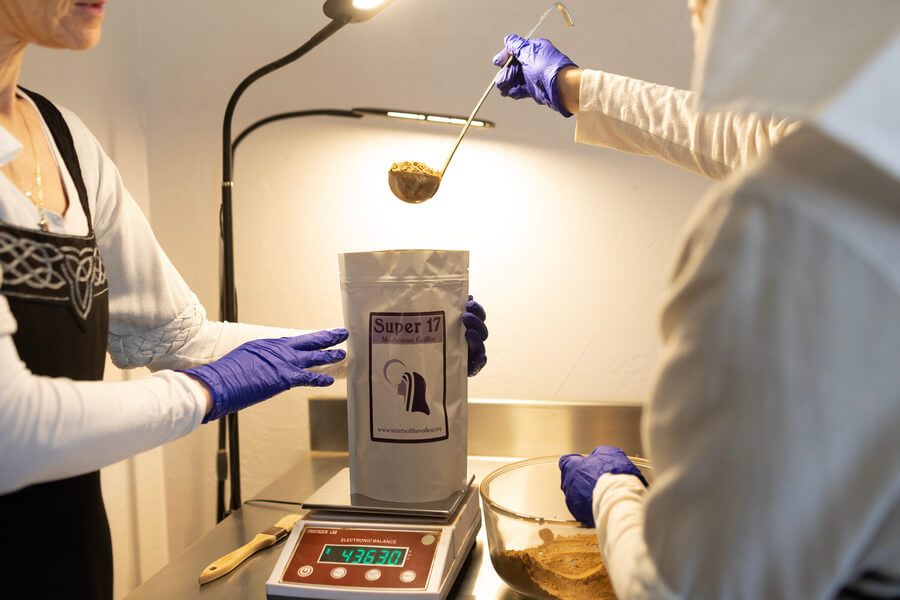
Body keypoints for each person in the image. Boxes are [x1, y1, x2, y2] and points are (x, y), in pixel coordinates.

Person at [0, 1, 488, 598]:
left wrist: (404, 353)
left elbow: (177, 339)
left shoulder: (64, 141)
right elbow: (11, 431)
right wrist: (209, 389)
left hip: (71, 557)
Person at [494, 0, 900, 598]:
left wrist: (612, 491)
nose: (694, 13)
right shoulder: (865, 141)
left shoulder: (785, 226)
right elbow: (745, 131)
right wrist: (574, 87)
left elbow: (681, 587)